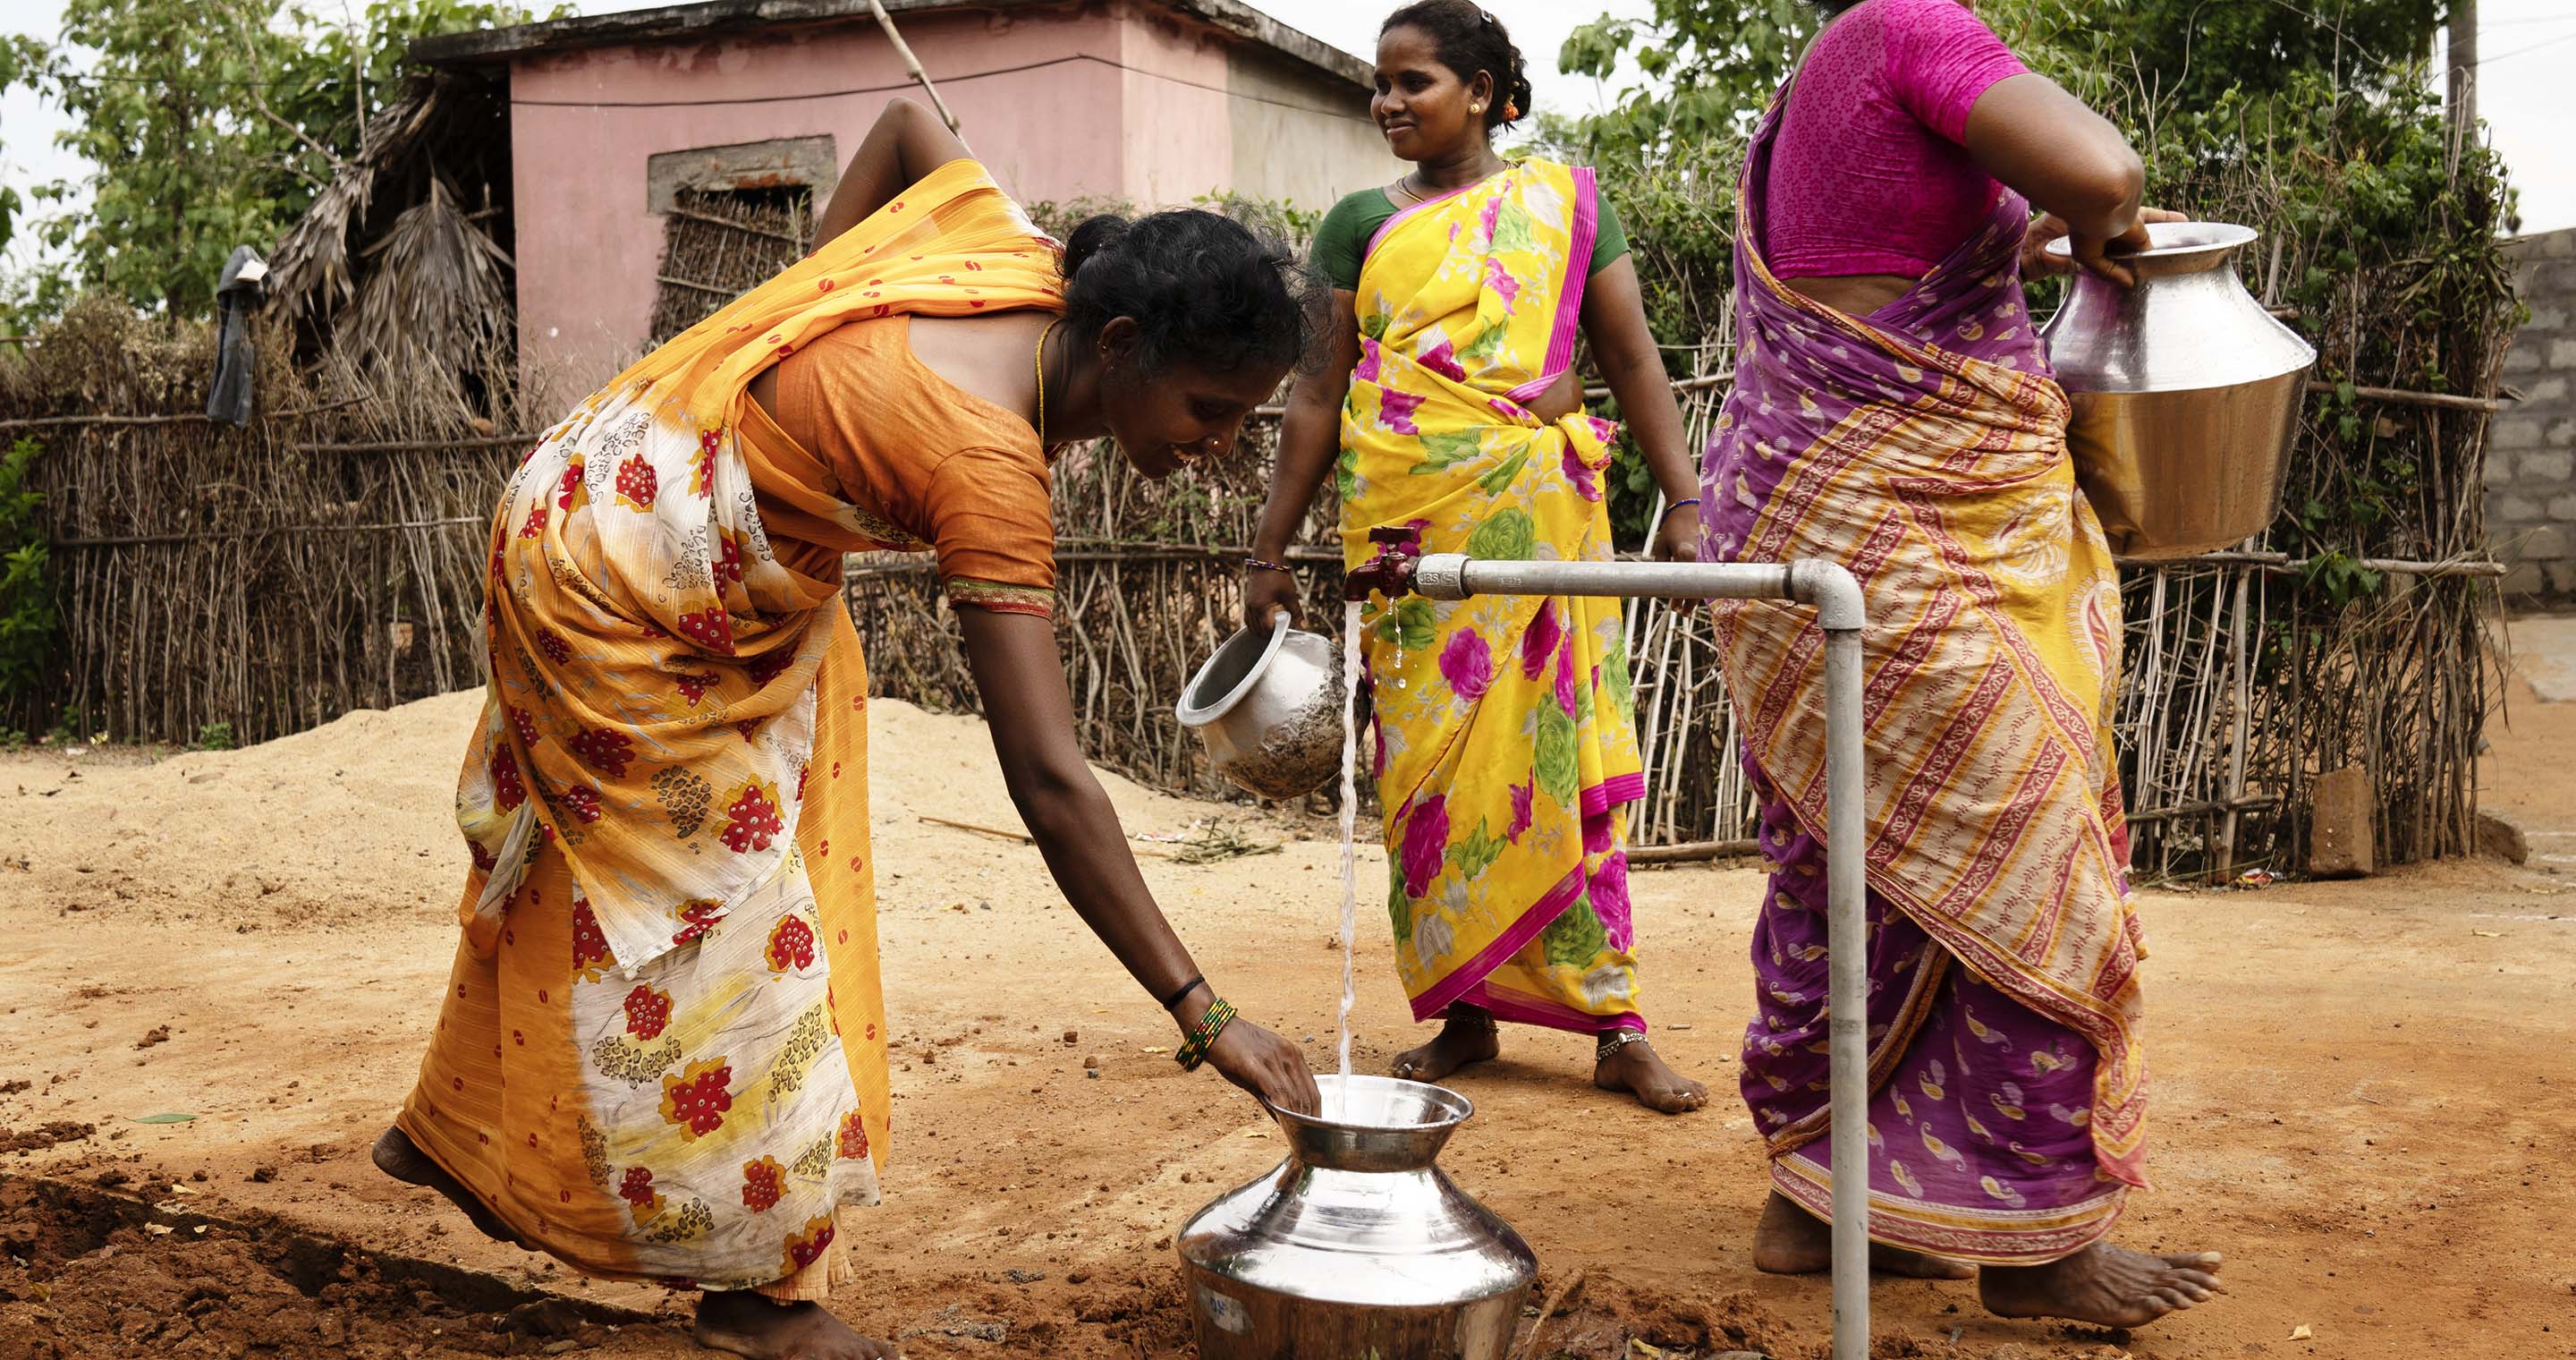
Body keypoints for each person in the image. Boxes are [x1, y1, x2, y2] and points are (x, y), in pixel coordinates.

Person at [369, 98, 1324, 1360]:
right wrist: (1207, 1015)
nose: (1220, 451)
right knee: (737, 918)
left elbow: (907, 126)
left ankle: (446, 1127)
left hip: (611, 480)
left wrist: (806, 303)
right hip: (613, 577)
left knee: (617, 848)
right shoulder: (986, 467)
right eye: (1210, 410)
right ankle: (753, 1300)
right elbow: (1050, 779)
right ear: (1125, 342)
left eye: (1246, 423)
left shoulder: (1012, 247)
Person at [1699, 0, 2224, 1329]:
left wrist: (2016, 238)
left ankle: (1815, 1201)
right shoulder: (1905, 26)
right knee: (2025, 848)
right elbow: (2105, 168)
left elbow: (1875, 263)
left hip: (1810, 498)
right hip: (1897, 513)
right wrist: (2096, 220)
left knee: (1853, 857)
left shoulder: (1825, 67)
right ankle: (2038, 1245)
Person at [1247, 0, 1708, 1115]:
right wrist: (1268, 544)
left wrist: (1687, 497)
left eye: (1416, 83)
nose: (1388, 102)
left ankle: (1616, 1020)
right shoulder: (1355, 222)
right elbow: (1318, 389)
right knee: (1431, 768)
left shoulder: (1566, 206)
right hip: (1405, 529)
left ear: (1491, 94)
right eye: (1383, 83)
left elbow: (1632, 357)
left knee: (1559, 748)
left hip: (1538, 519)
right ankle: (1467, 1008)